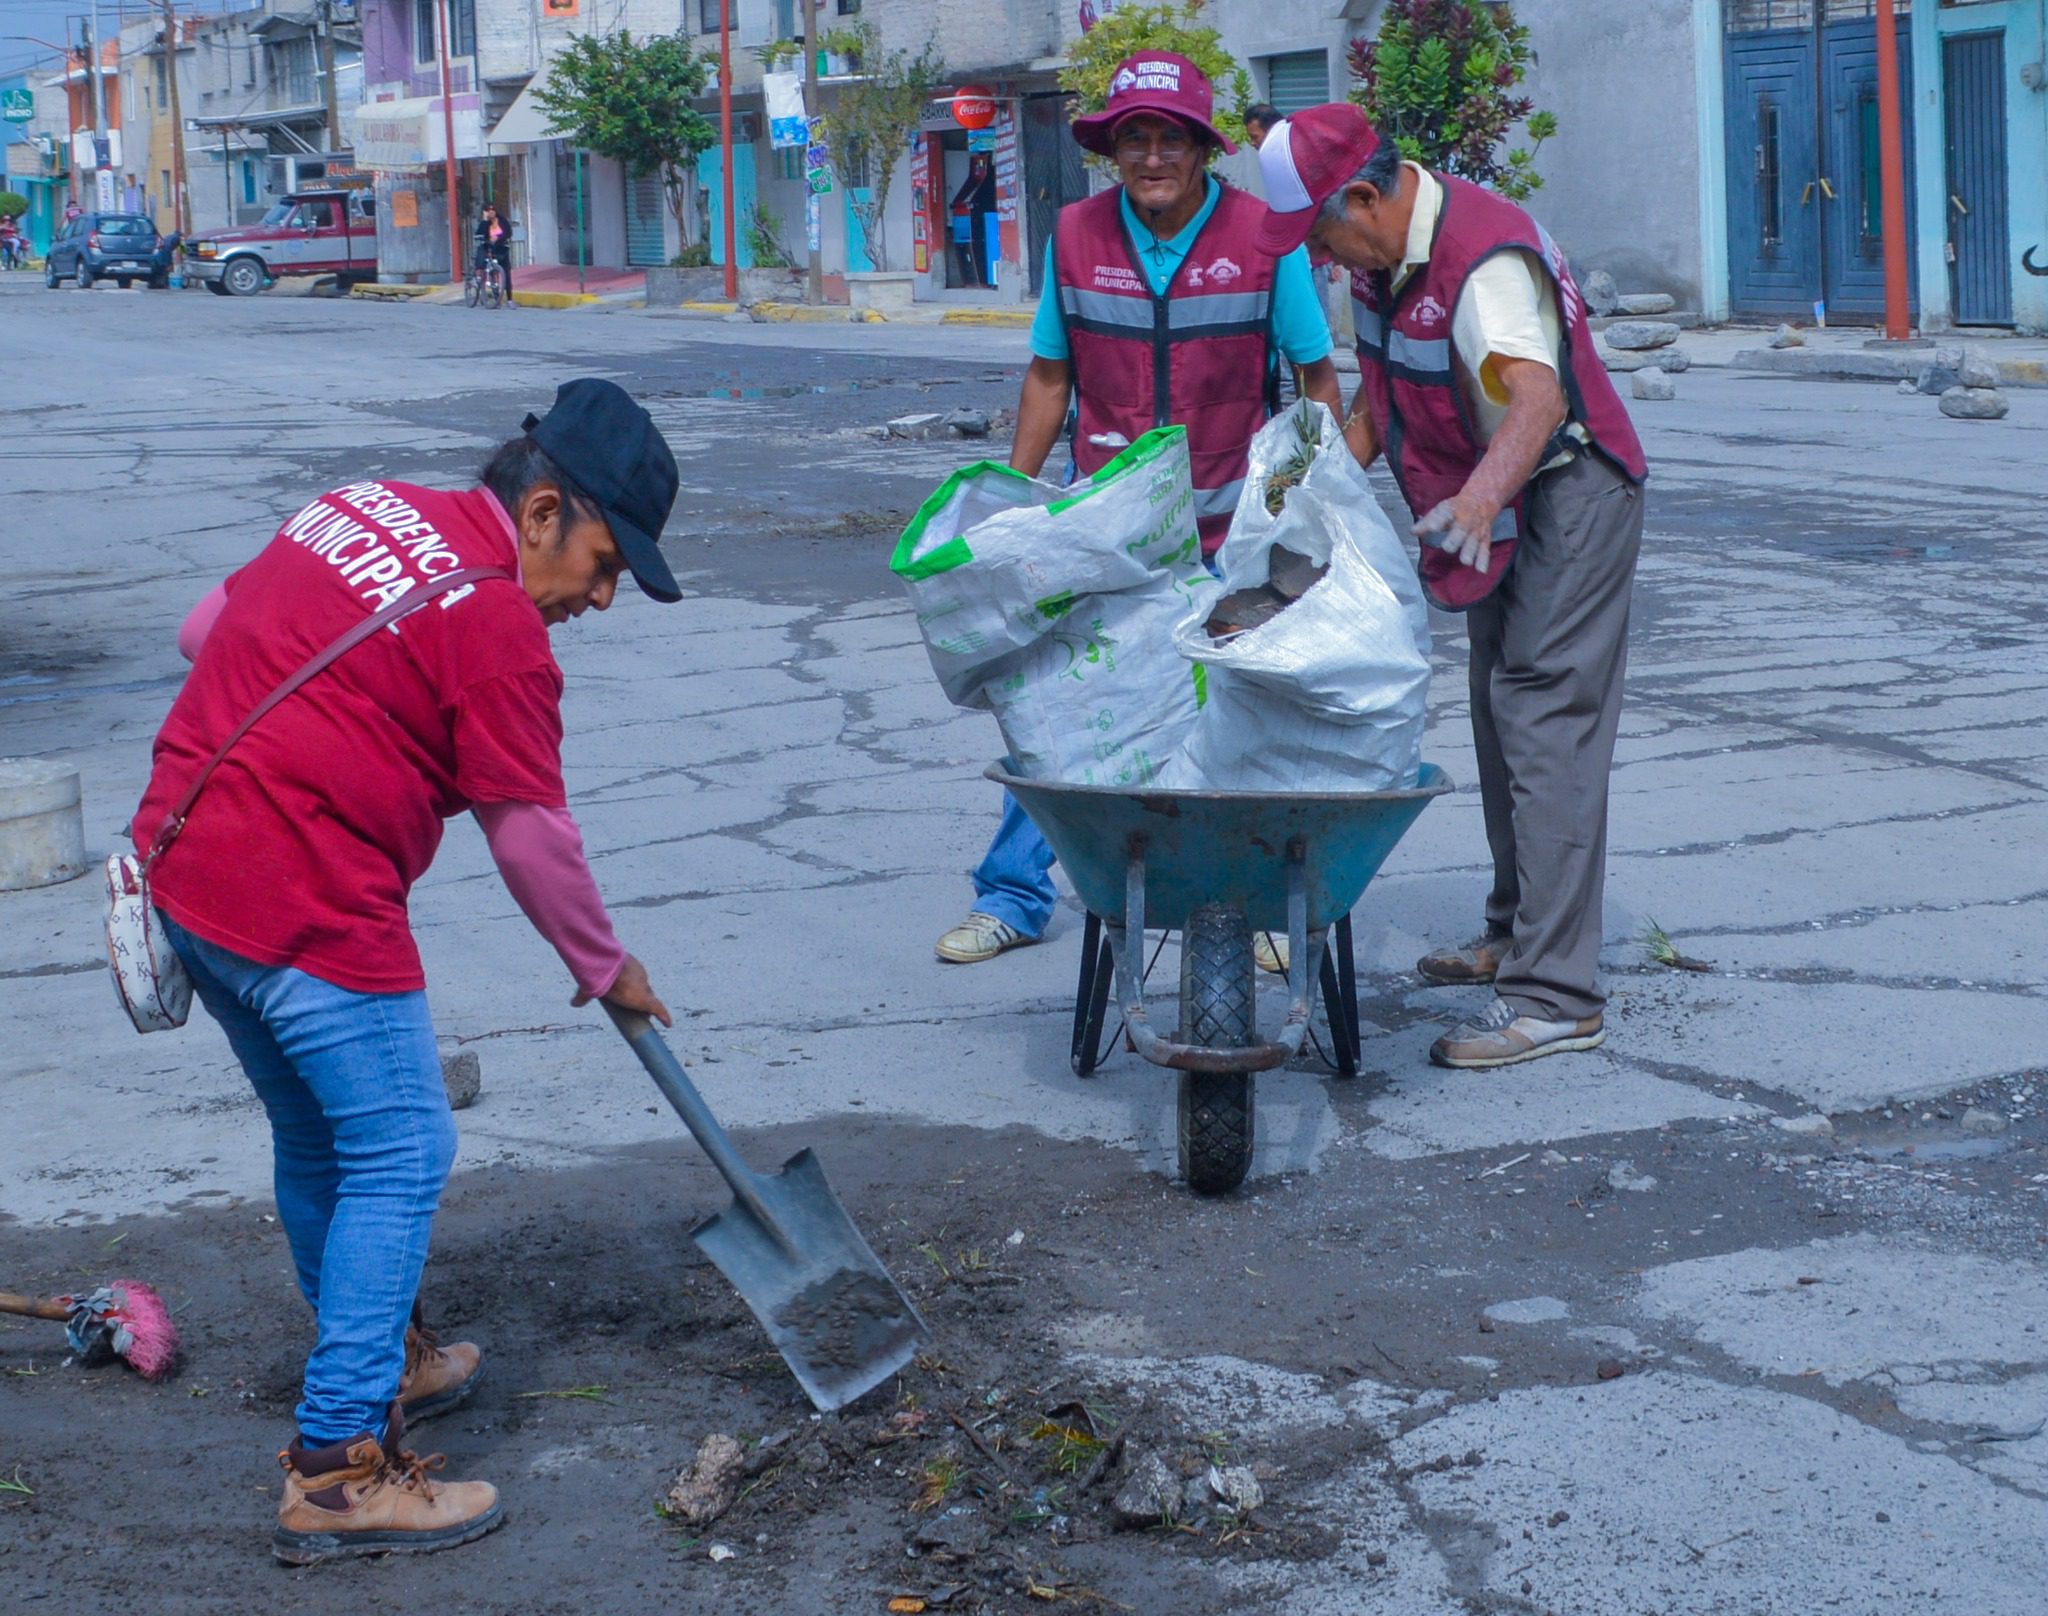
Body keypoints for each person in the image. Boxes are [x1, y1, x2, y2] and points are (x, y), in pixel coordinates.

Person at [131, 378, 682, 1561]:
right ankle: (337, 1470)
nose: (597, 596)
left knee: (320, 1135)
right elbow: (530, 833)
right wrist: (607, 965)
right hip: (302, 896)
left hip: (184, 864)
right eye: (600, 561)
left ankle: (387, 1356)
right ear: (540, 512)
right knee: (403, 1145)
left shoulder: (362, 505)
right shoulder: (496, 626)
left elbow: (201, 630)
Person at [1253, 103, 1648, 1069]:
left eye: (1319, 237)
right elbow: (1383, 393)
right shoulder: (1382, 259)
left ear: (1363, 198)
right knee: (1493, 710)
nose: (1319, 260)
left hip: (1565, 492)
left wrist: (1474, 504)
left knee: (1544, 718)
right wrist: (1314, 500)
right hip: (1488, 497)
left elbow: (1540, 400)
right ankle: (1517, 932)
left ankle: (1557, 996)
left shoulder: (1484, 262)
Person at [933, 53, 1343, 967]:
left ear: (1201, 150)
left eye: (1170, 138)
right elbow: (1049, 376)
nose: (1151, 156)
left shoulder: (1261, 237)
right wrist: (1014, 509)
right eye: (1133, 139)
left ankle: (1264, 909)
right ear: (1112, 151)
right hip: (1106, 531)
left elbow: (1317, 380)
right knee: (1059, 713)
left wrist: (1310, 498)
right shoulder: (1076, 235)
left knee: (1242, 718)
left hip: (1232, 530)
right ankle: (1013, 895)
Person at [475, 202, 514, 299]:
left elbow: (508, 233)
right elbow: (480, 234)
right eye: (488, 210)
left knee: (506, 272)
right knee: (482, 259)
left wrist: (498, 238)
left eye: (493, 209)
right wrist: (484, 220)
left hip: (501, 249)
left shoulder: (502, 221)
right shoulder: (485, 224)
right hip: (489, 249)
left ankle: (510, 299)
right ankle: (482, 282)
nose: (491, 211)